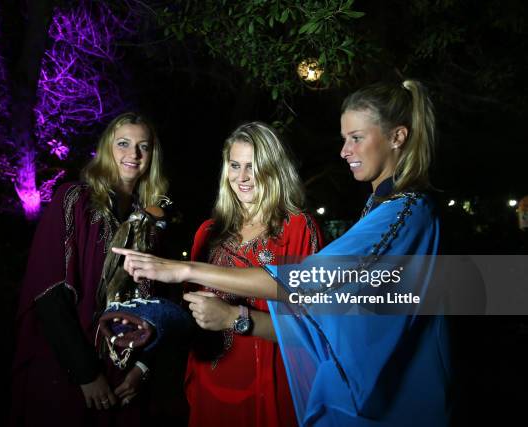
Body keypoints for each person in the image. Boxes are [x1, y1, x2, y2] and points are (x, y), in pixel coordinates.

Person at [114, 80, 450, 427]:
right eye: (234, 165)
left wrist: (189, 274)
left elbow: (313, 291)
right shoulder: (382, 207)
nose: (344, 150)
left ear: (397, 137)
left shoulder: (407, 211)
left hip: (371, 397)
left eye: (357, 137)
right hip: (215, 387)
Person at [11, 112, 171, 427]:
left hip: (125, 370)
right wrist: (86, 374)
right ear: (107, 148)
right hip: (71, 367)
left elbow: (159, 305)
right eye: (123, 143)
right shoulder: (74, 200)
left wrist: (141, 369)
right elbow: (48, 292)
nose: (134, 154)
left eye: (144, 146)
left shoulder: (150, 222)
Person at [182, 122, 323, 427]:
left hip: (269, 388)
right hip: (211, 381)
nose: (242, 177)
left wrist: (236, 316)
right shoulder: (208, 232)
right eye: (235, 165)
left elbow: (311, 327)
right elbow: (191, 309)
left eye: (253, 166)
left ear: (273, 169)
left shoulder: (297, 227)